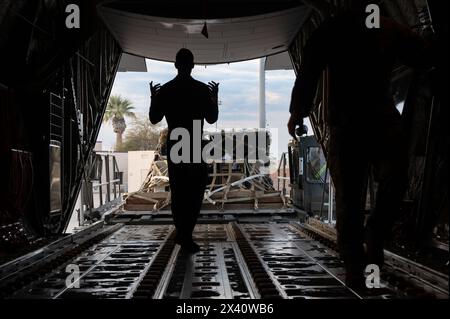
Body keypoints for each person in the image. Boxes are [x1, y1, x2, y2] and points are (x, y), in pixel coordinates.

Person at [287, 3, 430, 289]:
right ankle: (372, 239)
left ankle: (356, 267)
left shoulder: (333, 28)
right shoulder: (386, 27)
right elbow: (423, 55)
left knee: (350, 199)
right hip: (380, 119)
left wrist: (298, 112)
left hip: (348, 123)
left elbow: (310, 69)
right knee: (394, 180)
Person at [149, 48, 219, 253]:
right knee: (195, 190)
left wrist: (153, 98)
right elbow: (212, 118)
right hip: (194, 141)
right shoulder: (201, 89)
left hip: (176, 143)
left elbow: (154, 119)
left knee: (179, 190)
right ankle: (186, 234)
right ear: (193, 65)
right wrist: (214, 97)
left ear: (175, 65)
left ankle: (183, 232)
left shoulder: (166, 90)